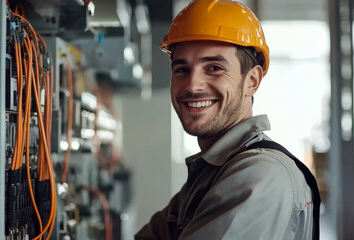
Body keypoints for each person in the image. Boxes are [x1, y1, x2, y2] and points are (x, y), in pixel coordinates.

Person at [134, 0, 320, 239]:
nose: (193, 85)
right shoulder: (213, 171)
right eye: (182, 70)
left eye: (214, 68)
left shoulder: (259, 175)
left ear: (252, 80)